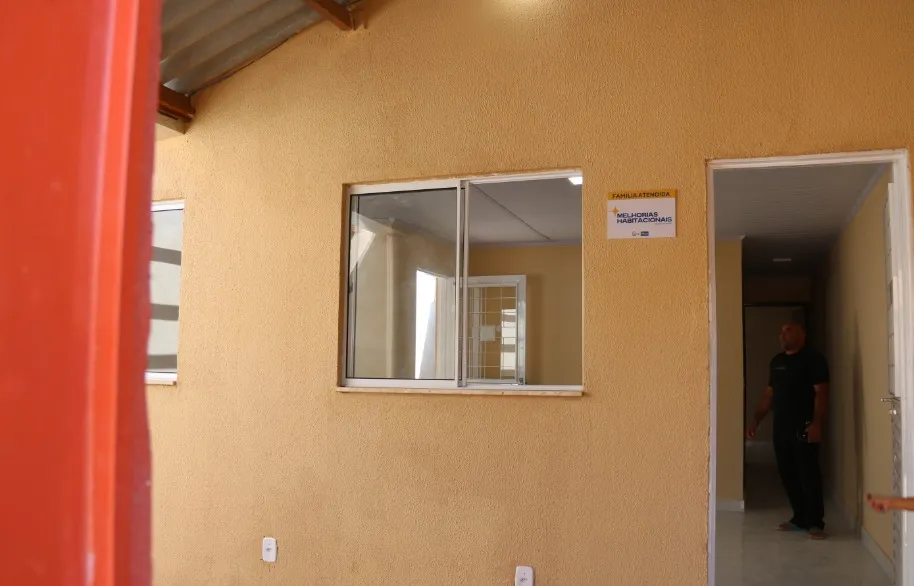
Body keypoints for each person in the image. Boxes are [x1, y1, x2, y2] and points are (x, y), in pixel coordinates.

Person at [747, 322, 830, 540]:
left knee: (808, 473)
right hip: (781, 427)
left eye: (788, 330)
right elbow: (769, 394)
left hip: (804, 425)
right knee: (787, 473)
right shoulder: (777, 362)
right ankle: (799, 518)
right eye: (781, 331)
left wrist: (817, 424)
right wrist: (756, 419)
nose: (782, 334)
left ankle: (815, 523)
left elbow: (821, 393)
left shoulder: (813, 359)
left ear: (802, 334)